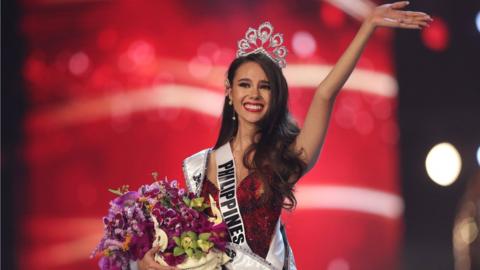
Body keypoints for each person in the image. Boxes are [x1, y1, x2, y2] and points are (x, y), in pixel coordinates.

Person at [136, 2, 432, 269]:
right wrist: (153, 261)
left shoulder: (283, 159)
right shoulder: (201, 166)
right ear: (230, 92)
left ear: (275, 95)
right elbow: (191, 247)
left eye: (264, 86)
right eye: (245, 85)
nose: (254, 94)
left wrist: (367, 26)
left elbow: (324, 95)